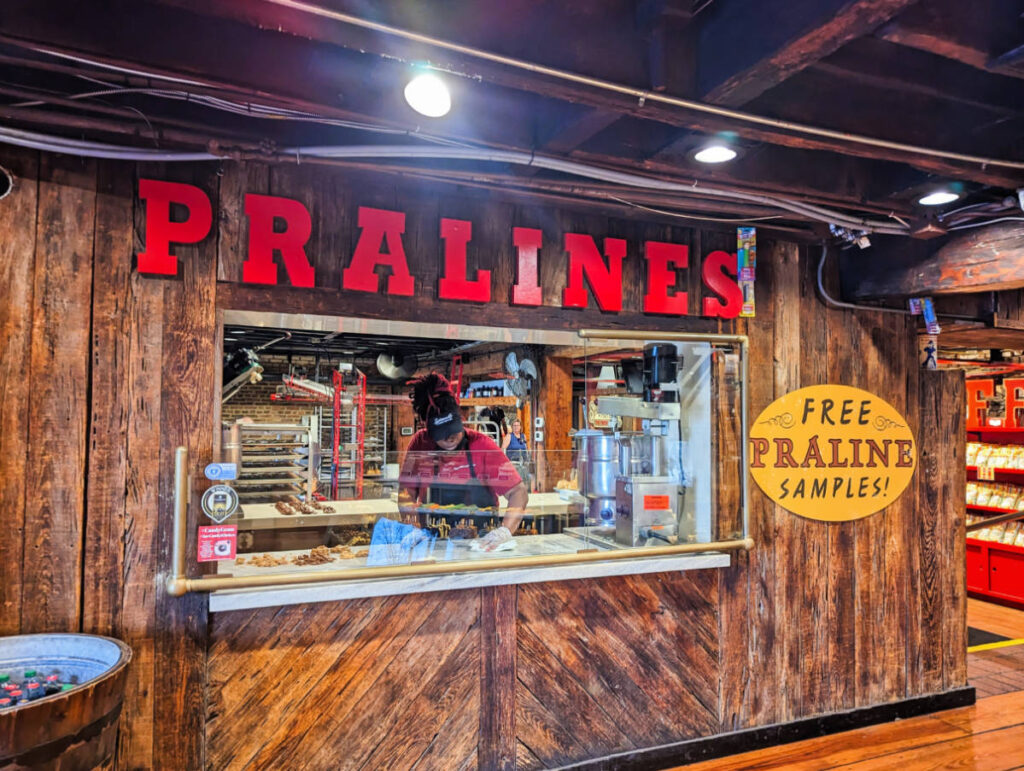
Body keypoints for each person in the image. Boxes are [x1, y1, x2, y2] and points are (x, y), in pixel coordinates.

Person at [397, 373, 528, 551]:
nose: (450, 438)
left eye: (454, 431)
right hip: (431, 543)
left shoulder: (482, 445)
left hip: (480, 543)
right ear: (428, 430)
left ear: (461, 420)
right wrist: (412, 527)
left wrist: (504, 532)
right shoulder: (420, 443)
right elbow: (407, 492)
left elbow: (518, 492)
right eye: (443, 435)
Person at [502, 418, 531, 490]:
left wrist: (527, 460)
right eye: (514, 425)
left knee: (526, 480)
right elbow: (502, 449)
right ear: (512, 427)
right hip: (513, 464)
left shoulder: (523, 436)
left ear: (520, 427)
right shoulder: (509, 436)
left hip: (523, 464)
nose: (516, 427)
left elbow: (526, 449)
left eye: (517, 425)